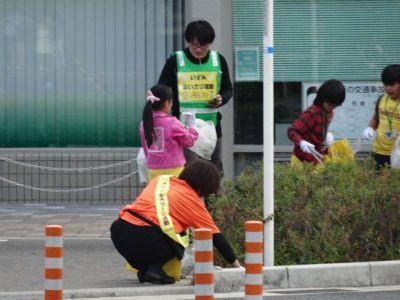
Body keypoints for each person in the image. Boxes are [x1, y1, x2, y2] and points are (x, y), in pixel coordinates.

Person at [110, 159, 241, 284]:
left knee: (161, 230)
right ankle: (154, 268)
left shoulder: (161, 180)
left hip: (119, 230)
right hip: (146, 239)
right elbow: (217, 238)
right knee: (180, 239)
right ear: (205, 185)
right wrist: (237, 267)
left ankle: (146, 271)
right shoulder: (194, 203)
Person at [158, 20, 233, 176]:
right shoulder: (176, 60)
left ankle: (214, 201)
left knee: (213, 173)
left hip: (212, 127)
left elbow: (228, 90)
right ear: (188, 42)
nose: (199, 49)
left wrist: (221, 99)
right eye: (194, 45)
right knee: (190, 174)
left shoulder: (218, 60)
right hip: (183, 128)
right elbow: (162, 88)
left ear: (210, 43)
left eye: (203, 45)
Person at [139, 84, 198, 180]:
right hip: (174, 170)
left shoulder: (144, 123)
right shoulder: (172, 123)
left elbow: (145, 148)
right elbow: (189, 141)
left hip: (153, 169)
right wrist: (192, 126)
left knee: (158, 195)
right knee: (172, 195)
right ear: (167, 103)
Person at [287, 79, 346, 164]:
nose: (332, 107)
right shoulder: (312, 113)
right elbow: (292, 130)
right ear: (322, 97)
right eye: (330, 103)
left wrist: (325, 136)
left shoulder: (329, 112)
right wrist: (301, 142)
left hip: (316, 158)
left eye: (335, 105)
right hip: (302, 160)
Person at [363, 64, 400, 168]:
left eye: (392, 85)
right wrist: (370, 128)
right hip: (378, 151)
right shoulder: (382, 99)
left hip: (397, 154)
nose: (388, 88)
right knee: (377, 182)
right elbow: (376, 118)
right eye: (385, 84)